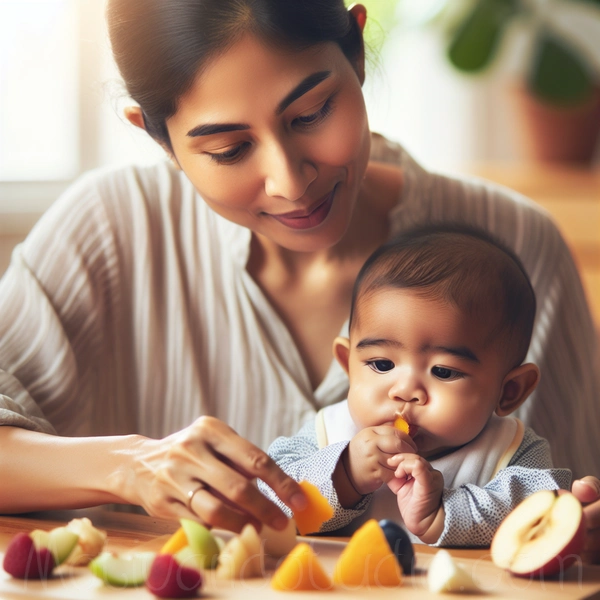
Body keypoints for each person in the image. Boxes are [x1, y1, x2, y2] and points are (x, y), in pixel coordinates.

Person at [0, 0, 598, 559]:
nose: (289, 182)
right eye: (231, 149)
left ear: (358, 54)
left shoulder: (518, 243)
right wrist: (127, 465)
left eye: (311, 114)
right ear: (158, 138)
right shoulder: (108, 230)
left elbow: (563, 515)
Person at [260, 225, 571, 545]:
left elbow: (545, 513)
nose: (405, 391)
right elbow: (268, 502)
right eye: (382, 365)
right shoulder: (329, 433)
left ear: (510, 391)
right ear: (348, 365)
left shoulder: (511, 452)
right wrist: (344, 476)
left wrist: (443, 511)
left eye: (444, 372)